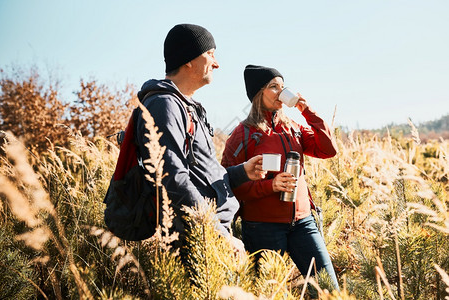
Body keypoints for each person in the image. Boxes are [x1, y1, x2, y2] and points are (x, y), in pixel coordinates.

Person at [135, 24, 265, 251]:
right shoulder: (164, 105)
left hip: (210, 231)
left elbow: (200, 174)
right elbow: (172, 178)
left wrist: (242, 172)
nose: (216, 63)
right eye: (211, 54)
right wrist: (217, 234)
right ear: (188, 59)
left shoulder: (186, 106)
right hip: (198, 238)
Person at [221, 64, 339, 290]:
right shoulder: (243, 134)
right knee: (268, 292)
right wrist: (270, 186)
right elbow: (229, 185)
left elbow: (328, 149)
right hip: (262, 227)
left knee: (329, 290)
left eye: (283, 87)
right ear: (258, 93)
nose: (281, 92)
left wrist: (307, 111)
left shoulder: (292, 128)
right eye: (273, 86)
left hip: (303, 223)